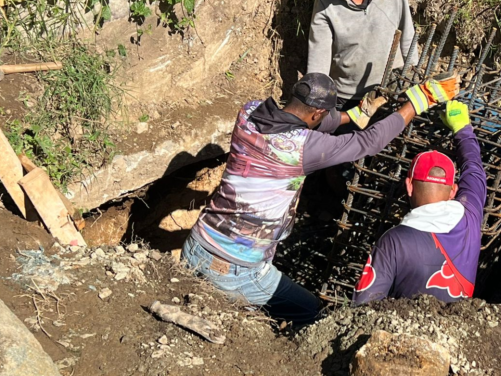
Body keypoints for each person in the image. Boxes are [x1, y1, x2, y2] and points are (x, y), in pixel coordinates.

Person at [181, 72, 460, 325]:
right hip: (236, 269)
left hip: (197, 244)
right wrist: (418, 100)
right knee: (313, 313)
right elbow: (369, 142)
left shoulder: (249, 113)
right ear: (316, 114)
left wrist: (353, 116)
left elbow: (303, 118)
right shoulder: (301, 148)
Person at [352, 100, 487, 305]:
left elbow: (363, 306)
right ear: (453, 191)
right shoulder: (470, 215)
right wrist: (462, 127)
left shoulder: (394, 242)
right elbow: (474, 168)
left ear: (409, 186)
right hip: (458, 333)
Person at [307, 0, 417, 109]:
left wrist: (410, 73)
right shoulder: (326, 0)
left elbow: (406, 29)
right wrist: (316, 98)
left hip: (389, 87)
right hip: (347, 94)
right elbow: (318, 55)